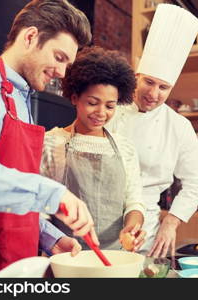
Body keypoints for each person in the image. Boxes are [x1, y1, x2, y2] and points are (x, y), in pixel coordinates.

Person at [0, 0, 98, 277]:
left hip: (16, 270)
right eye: (59, 57)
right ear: (30, 37)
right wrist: (51, 194)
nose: (62, 73)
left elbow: (1, 192)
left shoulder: (23, 100)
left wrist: (48, 236)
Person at [106, 4, 198, 258]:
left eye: (164, 87)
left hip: (146, 230)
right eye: (149, 82)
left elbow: (197, 181)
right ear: (137, 76)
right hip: (99, 221)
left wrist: (171, 221)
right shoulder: (109, 110)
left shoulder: (179, 126)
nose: (153, 94)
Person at [40, 46, 146, 251]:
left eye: (110, 106)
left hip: (115, 259)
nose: (101, 113)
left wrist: (133, 226)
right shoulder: (52, 143)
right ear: (74, 98)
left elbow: (134, 201)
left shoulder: (124, 147)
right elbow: (41, 207)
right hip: (66, 256)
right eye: (92, 103)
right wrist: (53, 242)